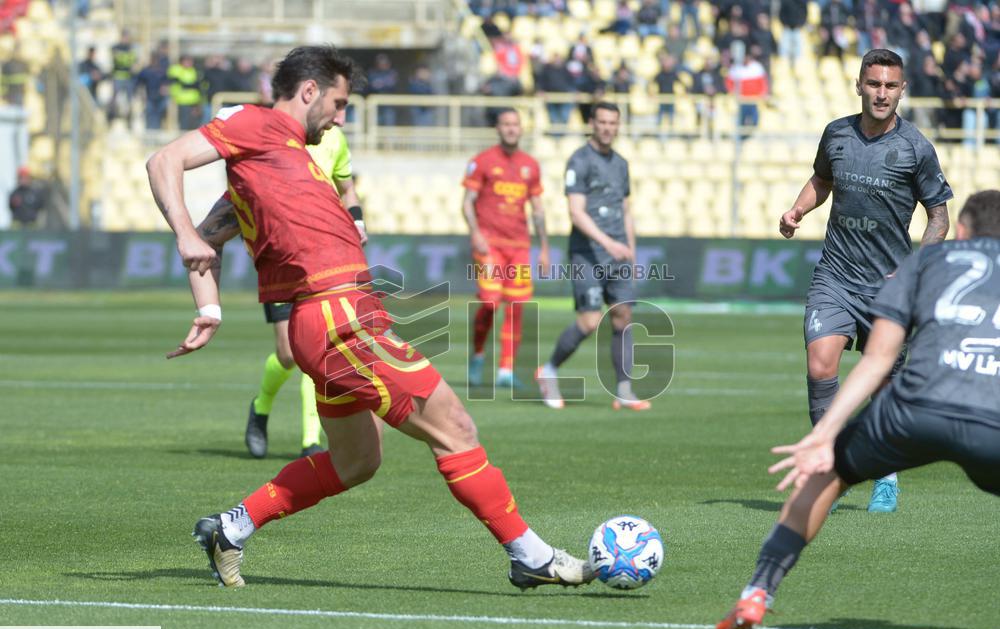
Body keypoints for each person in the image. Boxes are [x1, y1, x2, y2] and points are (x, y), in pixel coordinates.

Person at [146, 45, 591, 590]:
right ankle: (530, 554)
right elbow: (163, 161)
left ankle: (230, 529)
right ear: (308, 91)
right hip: (338, 319)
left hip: (335, 319)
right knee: (455, 428)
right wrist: (186, 234)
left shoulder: (272, 163)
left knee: (356, 462)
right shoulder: (252, 123)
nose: (340, 117)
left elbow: (211, 240)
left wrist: (209, 305)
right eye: (337, 104)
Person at [717, 189, 1000, 629]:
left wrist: (825, 435)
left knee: (826, 478)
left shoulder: (924, 262)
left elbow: (878, 359)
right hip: (993, 418)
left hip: (914, 408)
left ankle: (757, 593)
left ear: (961, 232)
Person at [779, 49, 953, 514]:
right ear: (859, 85)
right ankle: (827, 468)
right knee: (821, 365)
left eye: (890, 86)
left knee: (884, 387)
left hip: (889, 287)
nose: (881, 93)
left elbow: (939, 216)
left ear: (902, 90)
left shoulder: (915, 148)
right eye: (873, 84)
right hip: (835, 274)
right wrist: (798, 209)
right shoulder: (836, 133)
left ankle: (886, 473)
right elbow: (821, 179)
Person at [240, 125, 366, 459]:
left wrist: (358, 223)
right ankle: (261, 406)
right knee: (288, 354)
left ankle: (311, 440)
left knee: (316, 350)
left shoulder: (336, 138)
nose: (339, 114)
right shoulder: (275, 134)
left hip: (322, 257)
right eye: (336, 104)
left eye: (344, 106)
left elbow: (347, 188)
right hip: (282, 258)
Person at [535, 101, 648, 411]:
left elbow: (625, 210)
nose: (608, 128)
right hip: (588, 254)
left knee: (624, 316)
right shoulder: (579, 161)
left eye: (613, 123)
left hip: (619, 255)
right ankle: (548, 371)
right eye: (603, 122)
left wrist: (630, 252)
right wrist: (607, 243)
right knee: (589, 321)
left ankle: (624, 390)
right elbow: (576, 212)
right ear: (592, 124)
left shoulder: (621, 164)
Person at [462, 108, 550, 389]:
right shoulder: (482, 161)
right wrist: (475, 233)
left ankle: (505, 369)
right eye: (506, 124)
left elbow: (537, 210)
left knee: (516, 308)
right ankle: (477, 354)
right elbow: (467, 202)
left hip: (519, 247)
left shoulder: (531, 166)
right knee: (489, 301)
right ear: (498, 129)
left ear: (521, 129)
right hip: (490, 245)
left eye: (515, 124)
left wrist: (545, 248)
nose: (511, 129)